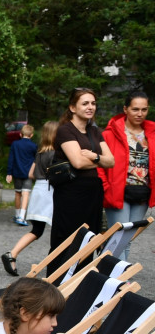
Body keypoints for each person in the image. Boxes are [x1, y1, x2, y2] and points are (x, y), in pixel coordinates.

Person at [47, 87, 113, 275]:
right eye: (85, 103)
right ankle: (56, 291)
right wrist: (100, 160)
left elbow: (112, 161)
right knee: (66, 242)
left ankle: (80, 290)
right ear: (72, 107)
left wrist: (94, 156)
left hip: (92, 193)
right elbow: (77, 162)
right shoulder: (65, 130)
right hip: (71, 194)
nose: (90, 107)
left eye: (93, 103)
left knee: (88, 244)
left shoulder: (94, 131)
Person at [98, 92, 155, 261]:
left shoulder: (151, 133)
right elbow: (99, 164)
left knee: (128, 239)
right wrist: (106, 188)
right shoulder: (110, 134)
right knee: (118, 237)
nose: (140, 113)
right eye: (135, 109)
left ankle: (116, 277)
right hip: (117, 193)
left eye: (144, 109)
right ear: (125, 109)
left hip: (142, 194)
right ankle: (117, 281)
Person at [1, 121, 59, 276]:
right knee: (59, 229)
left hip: (38, 189)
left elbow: (31, 174)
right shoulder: (55, 154)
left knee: (37, 230)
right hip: (49, 192)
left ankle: (12, 254)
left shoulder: (40, 153)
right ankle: (57, 263)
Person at [6, 123, 37, 225]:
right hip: (28, 174)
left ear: (20, 134)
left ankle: (17, 214)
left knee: (18, 193)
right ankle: (22, 217)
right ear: (31, 135)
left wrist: (9, 173)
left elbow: (11, 159)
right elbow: (36, 161)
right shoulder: (34, 146)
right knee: (26, 194)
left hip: (17, 172)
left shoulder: (15, 144)